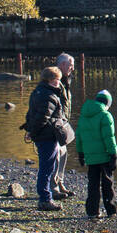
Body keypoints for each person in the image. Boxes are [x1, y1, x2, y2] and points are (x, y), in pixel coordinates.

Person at [22, 66, 70, 211]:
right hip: (47, 136)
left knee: (48, 167)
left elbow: (31, 114)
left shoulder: (38, 92)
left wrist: (30, 130)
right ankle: (45, 199)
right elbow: (43, 117)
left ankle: (46, 196)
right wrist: (32, 131)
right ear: (51, 80)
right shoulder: (48, 95)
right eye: (57, 80)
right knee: (47, 168)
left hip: (43, 135)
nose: (59, 83)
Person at [77, 89, 117, 218]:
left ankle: (92, 211)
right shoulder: (105, 115)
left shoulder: (84, 115)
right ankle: (111, 210)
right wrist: (114, 154)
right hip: (104, 156)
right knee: (107, 184)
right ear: (108, 103)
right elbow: (109, 138)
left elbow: (79, 136)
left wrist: (81, 153)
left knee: (93, 184)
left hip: (90, 156)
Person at [51, 53, 76, 199]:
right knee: (56, 157)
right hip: (56, 126)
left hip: (63, 124)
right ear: (62, 65)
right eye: (70, 64)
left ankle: (60, 183)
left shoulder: (66, 81)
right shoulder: (55, 81)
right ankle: (53, 188)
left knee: (63, 154)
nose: (72, 68)